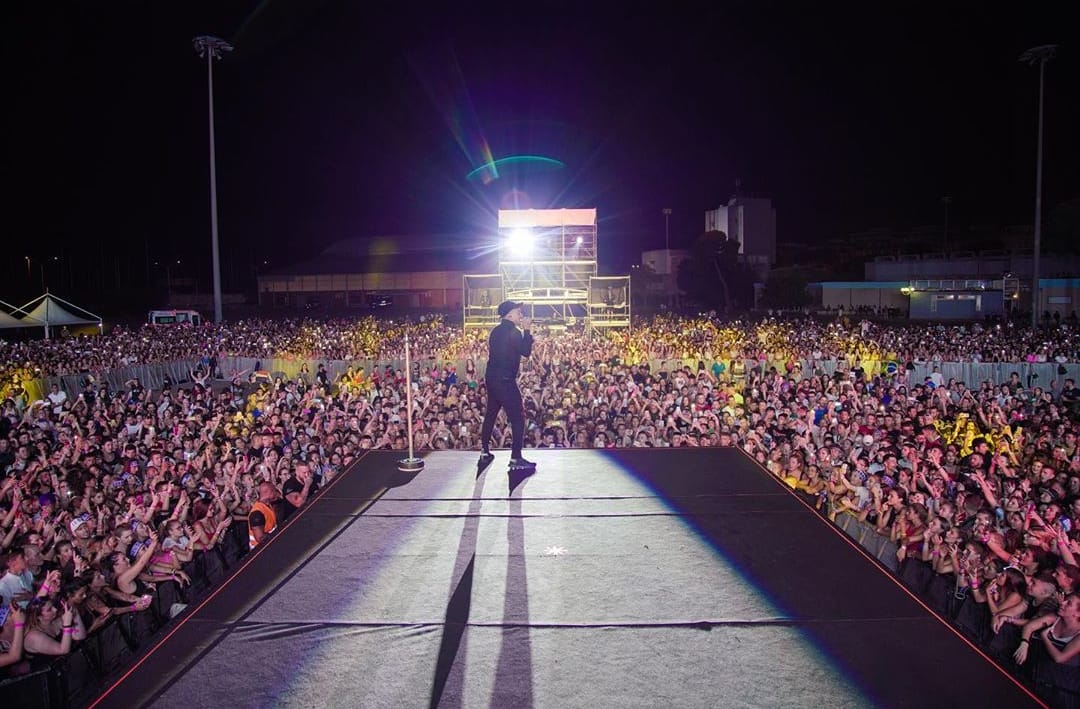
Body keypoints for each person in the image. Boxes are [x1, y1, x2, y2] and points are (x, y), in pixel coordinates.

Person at [479, 301, 535, 469]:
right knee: (518, 418)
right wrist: (527, 330)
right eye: (518, 312)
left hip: (492, 379)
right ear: (509, 315)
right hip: (506, 381)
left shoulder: (495, 331)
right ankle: (516, 458)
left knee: (491, 414)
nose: (521, 315)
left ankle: (484, 452)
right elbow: (526, 351)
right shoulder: (514, 332)